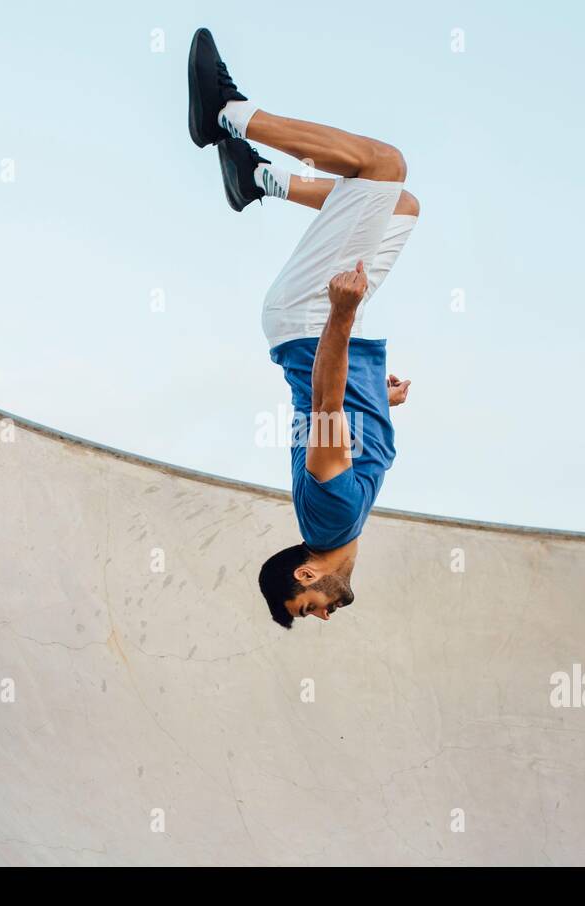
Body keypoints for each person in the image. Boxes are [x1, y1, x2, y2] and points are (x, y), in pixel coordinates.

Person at [188, 28, 418, 628]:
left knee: (382, 166)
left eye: (307, 605)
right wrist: (383, 403)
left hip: (314, 321)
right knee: (401, 204)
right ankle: (259, 181)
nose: (322, 614)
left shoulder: (331, 519)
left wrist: (340, 317)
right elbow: (346, 423)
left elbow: (323, 404)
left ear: (308, 575)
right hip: (312, 328)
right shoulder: (345, 516)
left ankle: (228, 114)